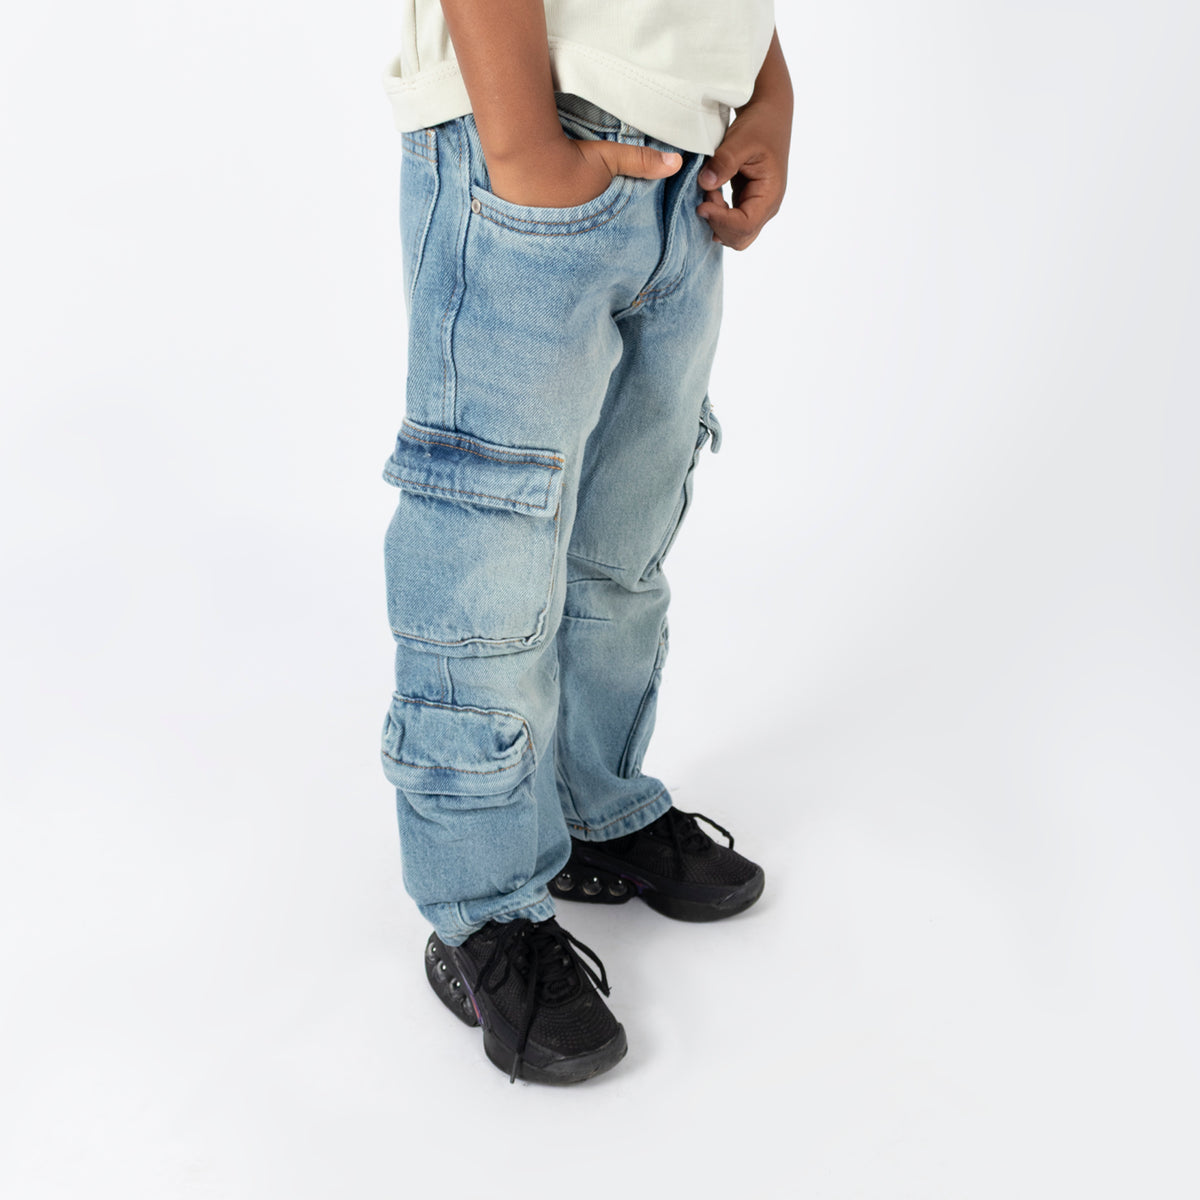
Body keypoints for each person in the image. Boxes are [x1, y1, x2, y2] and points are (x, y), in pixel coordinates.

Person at [379, 0, 791, 1084]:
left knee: (621, 540)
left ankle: (591, 804)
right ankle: (481, 907)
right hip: (532, 119)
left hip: (682, 166)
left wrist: (765, 87)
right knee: (489, 550)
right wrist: (522, 143)